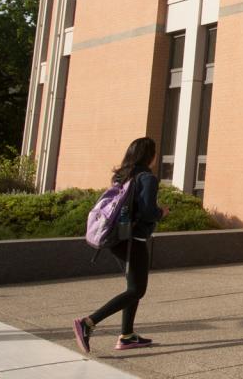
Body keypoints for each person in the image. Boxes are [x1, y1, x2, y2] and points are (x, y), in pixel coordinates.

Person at [73, 137, 168, 353]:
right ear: (150, 155)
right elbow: (147, 212)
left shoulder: (122, 176)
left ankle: (127, 336)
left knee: (133, 288)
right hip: (133, 240)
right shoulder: (147, 178)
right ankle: (88, 323)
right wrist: (161, 212)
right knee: (136, 290)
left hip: (118, 238)